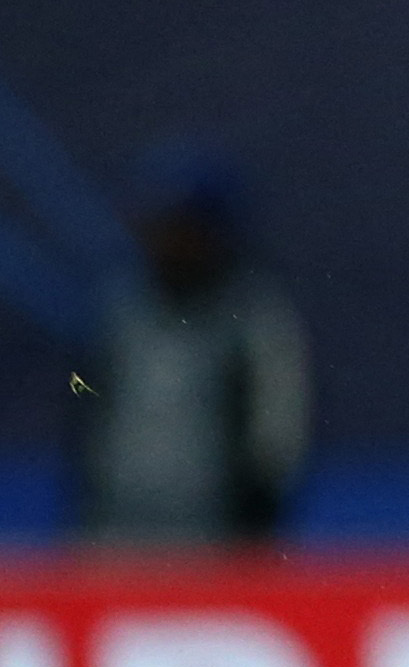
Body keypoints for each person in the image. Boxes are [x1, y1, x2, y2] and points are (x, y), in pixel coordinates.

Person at [73, 150, 312, 546]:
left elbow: (278, 431)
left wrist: (253, 527)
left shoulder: (252, 318)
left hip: (211, 539)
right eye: (163, 229)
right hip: (114, 532)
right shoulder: (121, 310)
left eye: (186, 231)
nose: (172, 243)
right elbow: (90, 416)